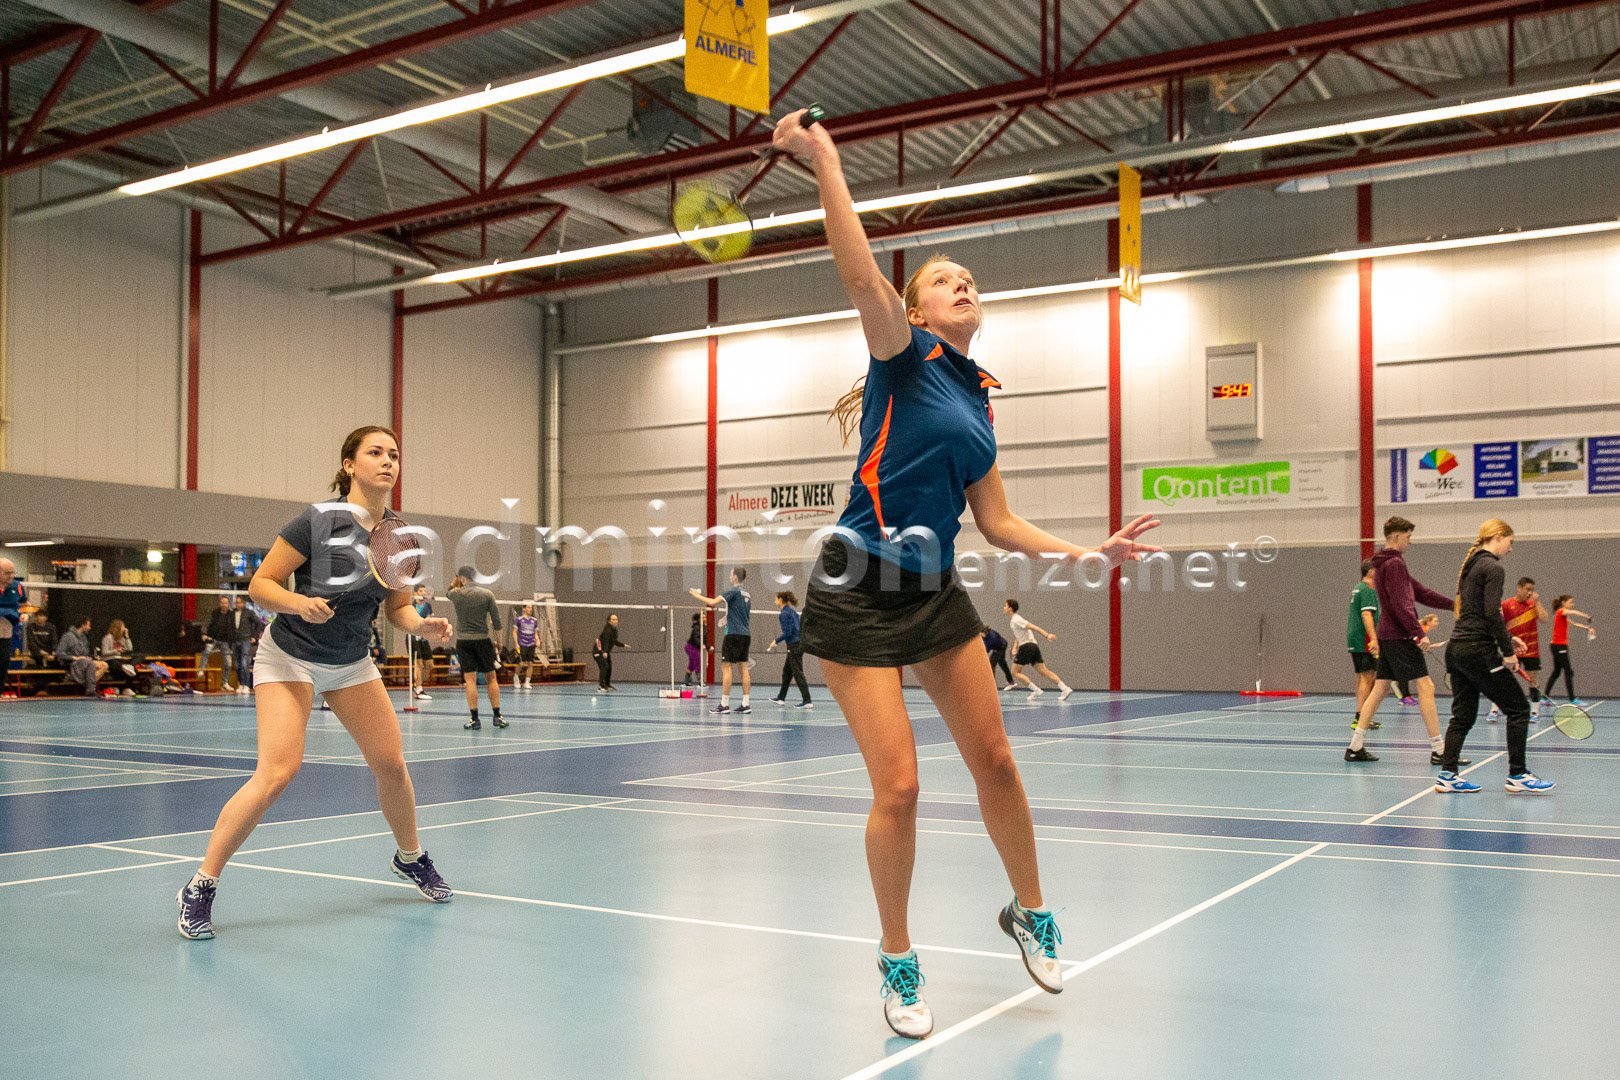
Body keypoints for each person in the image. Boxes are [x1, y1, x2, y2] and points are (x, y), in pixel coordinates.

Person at [773, 107, 1162, 1039]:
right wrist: (826, 162)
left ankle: (1030, 910)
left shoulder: (979, 402)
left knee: (996, 761)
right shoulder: (901, 356)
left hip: (934, 589)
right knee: (900, 786)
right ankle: (897, 960)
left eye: (970, 280)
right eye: (945, 279)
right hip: (856, 587)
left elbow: (997, 521)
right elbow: (858, 273)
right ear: (916, 310)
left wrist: (1090, 552)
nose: (964, 284)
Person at [176, 425, 456, 940]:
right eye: (375, 452)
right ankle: (200, 884)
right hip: (290, 657)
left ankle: (410, 857)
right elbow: (261, 584)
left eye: (394, 454)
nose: (388, 461)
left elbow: (397, 609)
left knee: (391, 764)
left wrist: (422, 625)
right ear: (349, 464)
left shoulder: (400, 538)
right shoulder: (316, 521)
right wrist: (299, 603)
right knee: (277, 772)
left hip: (350, 662)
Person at [1434, 519, 1553, 794]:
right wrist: (1507, 652)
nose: (1510, 549)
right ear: (1498, 536)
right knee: (1519, 709)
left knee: (1462, 716)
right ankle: (1518, 774)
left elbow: (1477, 614)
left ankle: (1447, 774)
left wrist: (1507, 638)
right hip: (1478, 652)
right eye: (1510, 542)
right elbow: (1491, 612)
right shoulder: (1493, 567)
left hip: (1457, 650)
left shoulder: (1471, 564)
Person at [1345, 516, 1462, 766]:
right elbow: (1401, 604)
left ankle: (1355, 746)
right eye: (1408, 537)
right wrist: (1418, 633)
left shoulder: (1386, 563)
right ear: (1396, 536)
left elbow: (1419, 592)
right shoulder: (1395, 563)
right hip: (1399, 635)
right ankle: (1438, 750)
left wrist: (1453, 605)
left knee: (1380, 688)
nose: (1410, 541)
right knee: (1426, 686)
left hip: (1387, 634)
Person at [448, 566, 504, 729]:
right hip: (483, 641)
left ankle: (475, 720)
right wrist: (499, 642)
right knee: (491, 678)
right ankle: (497, 717)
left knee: (470, 681)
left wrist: (455, 581)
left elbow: (448, 591)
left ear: (462, 578)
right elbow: (496, 622)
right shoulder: (487, 594)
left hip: (464, 642)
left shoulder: (456, 594)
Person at [691, 568, 752, 714]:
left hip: (733, 635)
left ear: (735, 577)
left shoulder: (733, 591)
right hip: (745, 635)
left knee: (726, 667)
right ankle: (745, 704)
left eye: (731, 574)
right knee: (743, 668)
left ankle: (724, 704)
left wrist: (697, 596)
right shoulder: (747, 594)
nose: (730, 577)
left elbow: (712, 602)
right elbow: (740, 614)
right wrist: (727, 618)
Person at [1489, 577, 1546, 723]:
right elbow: (1499, 625)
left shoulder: (1533, 604)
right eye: (1527, 589)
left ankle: (1534, 712)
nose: (1530, 592)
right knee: (1503, 679)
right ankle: (1494, 710)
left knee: (1533, 679)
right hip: (1512, 650)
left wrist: (1537, 602)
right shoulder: (1507, 605)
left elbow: (1544, 618)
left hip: (1531, 649)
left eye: (1532, 590)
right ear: (1519, 588)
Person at [1003, 600, 1074, 700]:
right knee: (1043, 671)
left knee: (1015, 672)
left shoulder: (1016, 619)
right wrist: (1015, 647)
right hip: (1033, 646)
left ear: (1010, 608)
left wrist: (1047, 635)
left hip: (1026, 646)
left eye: (1005, 606)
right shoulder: (1014, 620)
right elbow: (1018, 636)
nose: (1004, 607)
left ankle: (1035, 690)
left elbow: (1033, 626)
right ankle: (1065, 688)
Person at [1346, 561, 1383, 729]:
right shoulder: (1367, 589)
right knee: (1367, 676)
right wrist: (1374, 639)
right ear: (1371, 571)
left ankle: (1362, 716)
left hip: (1357, 638)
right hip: (1363, 639)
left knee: (1363, 676)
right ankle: (1361, 718)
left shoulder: (1358, 587)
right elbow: (1366, 614)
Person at [1543, 594, 1594, 706]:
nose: (1572, 604)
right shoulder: (1561, 611)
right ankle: (1572, 699)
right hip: (1559, 646)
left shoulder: (1563, 616)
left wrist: (1587, 628)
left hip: (1557, 646)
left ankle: (1545, 697)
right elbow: (1572, 612)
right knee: (1568, 671)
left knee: (1557, 672)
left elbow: (1574, 624)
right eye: (1570, 602)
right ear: (1563, 603)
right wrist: (1585, 615)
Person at [767, 591, 812, 709]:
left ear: (780, 600)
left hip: (794, 646)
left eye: (776, 599)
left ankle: (807, 700)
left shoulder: (784, 614)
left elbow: (788, 632)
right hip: (798, 644)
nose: (774, 601)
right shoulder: (792, 612)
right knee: (787, 672)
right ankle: (781, 698)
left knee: (797, 672)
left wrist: (775, 641)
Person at [55, 616, 109, 695]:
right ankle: (90, 688)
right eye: (88, 625)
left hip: (84, 661)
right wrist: (75, 658)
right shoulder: (68, 636)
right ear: (83, 625)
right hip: (72, 662)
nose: (90, 628)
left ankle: (88, 686)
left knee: (104, 665)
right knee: (91, 664)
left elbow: (85, 654)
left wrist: (91, 657)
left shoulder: (84, 638)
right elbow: (59, 653)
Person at [409, 585, 435, 701]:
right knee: (418, 664)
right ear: (416, 593)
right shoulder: (412, 606)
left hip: (424, 639)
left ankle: (418, 683)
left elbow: (431, 620)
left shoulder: (428, 606)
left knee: (429, 665)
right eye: (421, 591)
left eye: (424, 591)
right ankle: (419, 688)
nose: (423, 593)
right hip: (413, 638)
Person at [592, 614, 630, 691]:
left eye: (616, 619)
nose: (616, 621)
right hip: (599, 652)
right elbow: (605, 642)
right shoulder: (607, 630)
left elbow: (613, 641)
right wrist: (604, 652)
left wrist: (623, 645)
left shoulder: (614, 630)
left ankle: (607, 685)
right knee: (604, 667)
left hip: (605, 652)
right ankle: (601, 686)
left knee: (609, 667)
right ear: (609, 621)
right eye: (613, 619)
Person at [513, 602, 545, 689]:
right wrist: (516, 644)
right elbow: (514, 632)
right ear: (524, 609)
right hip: (522, 644)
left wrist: (538, 640)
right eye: (528, 607)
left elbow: (535, 633)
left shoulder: (534, 620)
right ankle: (516, 677)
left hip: (531, 644)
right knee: (521, 663)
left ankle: (527, 682)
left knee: (530, 664)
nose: (530, 609)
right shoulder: (519, 619)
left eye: (531, 607)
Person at [0, 558, 20, 694]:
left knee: (3, 663)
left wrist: (23, 613)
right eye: (7, 573)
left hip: (6, 634)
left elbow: (22, 605)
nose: (11, 576)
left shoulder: (16, 588)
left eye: (12, 573)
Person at [981, 624, 1014, 689]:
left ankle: (991, 686)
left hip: (1001, 647)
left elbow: (987, 650)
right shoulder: (986, 635)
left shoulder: (991, 638)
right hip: (998, 646)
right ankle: (1011, 682)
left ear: (984, 632)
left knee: (992, 664)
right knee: (1002, 664)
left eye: (980, 634)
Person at [683, 612, 704, 687]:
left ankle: (686, 681)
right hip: (691, 647)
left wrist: (707, 647)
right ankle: (700, 681)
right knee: (697, 663)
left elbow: (704, 639)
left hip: (696, 648)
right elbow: (696, 638)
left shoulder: (703, 627)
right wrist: (701, 644)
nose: (705, 619)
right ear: (699, 619)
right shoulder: (697, 627)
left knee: (691, 665)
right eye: (703, 618)